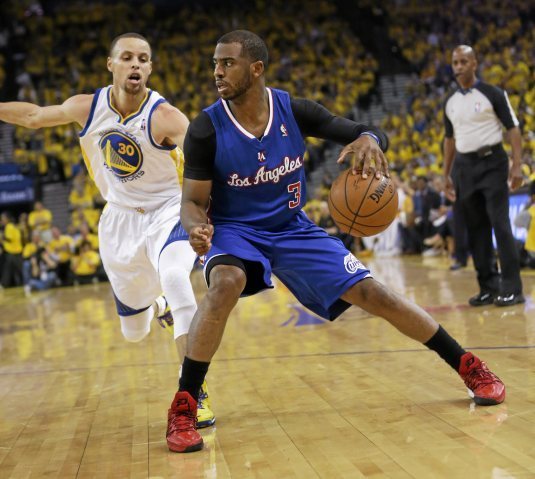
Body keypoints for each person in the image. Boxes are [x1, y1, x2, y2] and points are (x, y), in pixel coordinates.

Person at [173, 30, 506, 454]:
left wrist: (369, 139)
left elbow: (367, 131)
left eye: (227, 63)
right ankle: (185, 404)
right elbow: (192, 201)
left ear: (255, 69)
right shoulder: (205, 128)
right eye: (215, 64)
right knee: (225, 283)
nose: (217, 72)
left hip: (291, 227)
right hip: (236, 230)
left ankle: (467, 364)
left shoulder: (294, 110)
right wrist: (195, 227)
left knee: (374, 293)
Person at [0, 33, 215, 430]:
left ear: (150, 69)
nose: (136, 64)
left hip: (169, 210)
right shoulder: (87, 107)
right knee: (133, 333)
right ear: (111, 64)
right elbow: (33, 116)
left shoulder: (166, 116)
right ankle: (159, 306)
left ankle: (192, 393)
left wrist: (210, 206)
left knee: (175, 277)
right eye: (127, 57)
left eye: (143, 59)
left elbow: (206, 158)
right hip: (119, 220)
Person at [443, 45, 525, 307]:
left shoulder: (493, 93)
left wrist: (517, 165)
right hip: (464, 167)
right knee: (476, 228)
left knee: (500, 224)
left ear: (474, 63)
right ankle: (488, 287)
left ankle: (512, 288)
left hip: (493, 162)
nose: (458, 66)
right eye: (455, 62)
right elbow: (449, 139)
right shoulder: (450, 101)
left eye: (463, 61)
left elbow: (513, 129)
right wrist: (446, 174)